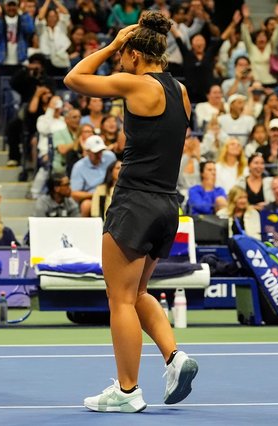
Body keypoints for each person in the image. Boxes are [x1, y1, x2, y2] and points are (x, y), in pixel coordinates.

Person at [63, 12, 198, 413]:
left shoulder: (135, 83)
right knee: (138, 293)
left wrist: (110, 44)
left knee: (119, 299)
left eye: (124, 55)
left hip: (134, 202)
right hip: (166, 206)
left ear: (136, 55)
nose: (120, 62)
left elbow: (74, 78)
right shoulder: (182, 91)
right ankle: (175, 358)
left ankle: (126, 391)